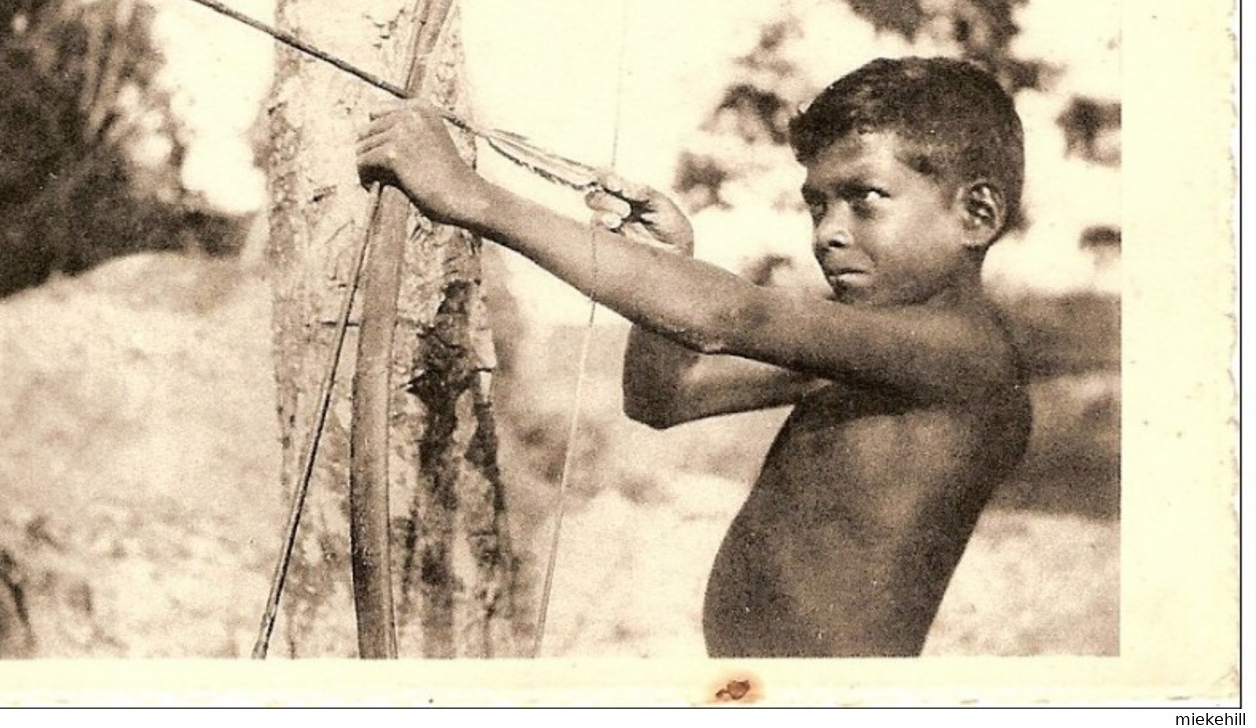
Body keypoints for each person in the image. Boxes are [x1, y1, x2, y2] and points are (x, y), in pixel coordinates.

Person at [355, 56, 1033, 657]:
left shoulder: (960, 352)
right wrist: (662, 265)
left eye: (864, 199)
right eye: (817, 205)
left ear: (974, 213)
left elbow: (726, 314)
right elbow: (664, 398)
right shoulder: (871, 348)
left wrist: (468, 196)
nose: (828, 232)